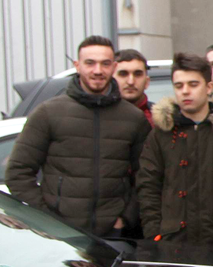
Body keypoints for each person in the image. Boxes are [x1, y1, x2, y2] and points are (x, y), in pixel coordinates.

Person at [5, 35, 149, 236]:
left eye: (105, 63)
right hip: (60, 238)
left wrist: (125, 218)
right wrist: (48, 219)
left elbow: (147, 177)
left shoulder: (133, 118)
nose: (97, 70)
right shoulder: (48, 113)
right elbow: (18, 173)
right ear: (77, 65)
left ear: (113, 67)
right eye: (90, 63)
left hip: (114, 238)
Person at [137, 53, 213, 246]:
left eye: (193, 84)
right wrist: (155, 234)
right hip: (173, 242)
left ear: (209, 87)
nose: (185, 91)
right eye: (179, 86)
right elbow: (148, 186)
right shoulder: (161, 134)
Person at [114, 49, 154, 126]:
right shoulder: (99, 118)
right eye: (123, 74)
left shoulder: (162, 121)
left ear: (147, 82)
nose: (131, 82)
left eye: (137, 74)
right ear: (111, 80)